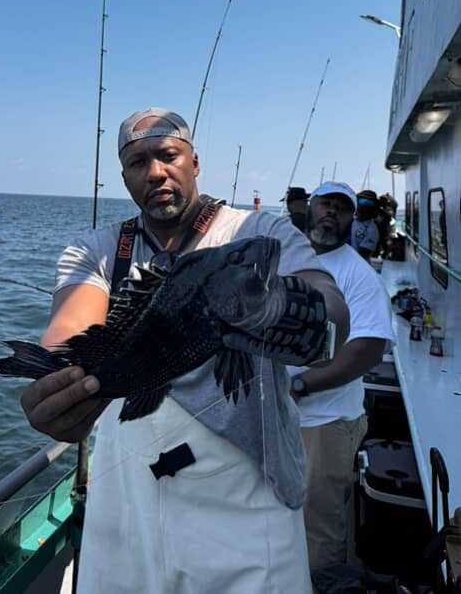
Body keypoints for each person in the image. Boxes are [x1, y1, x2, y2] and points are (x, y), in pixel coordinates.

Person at [20, 108, 349, 593]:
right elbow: (70, 329)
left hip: (248, 501)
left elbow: (333, 310)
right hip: (125, 502)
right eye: (137, 162)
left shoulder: (263, 234)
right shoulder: (96, 250)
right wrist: (55, 387)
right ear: (124, 176)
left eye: (168, 155)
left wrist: (286, 307)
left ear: (194, 162)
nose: (155, 171)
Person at [287, 181, 395, 570]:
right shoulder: (287, 254)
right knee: (277, 510)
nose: (332, 212)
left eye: (342, 208)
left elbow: (368, 351)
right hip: (280, 414)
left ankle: (323, 583)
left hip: (326, 423)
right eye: (325, 204)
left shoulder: (359, 275)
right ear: (309, 207)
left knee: (319, 520)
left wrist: (301, 385)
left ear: (351, 219)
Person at [350, 189, 380, 261]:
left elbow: (361, 255)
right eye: (361, 201)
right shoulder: (348, 220)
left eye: (369, 203)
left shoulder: (372, 230)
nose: (364, 205)